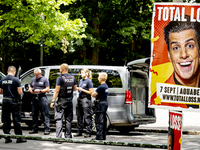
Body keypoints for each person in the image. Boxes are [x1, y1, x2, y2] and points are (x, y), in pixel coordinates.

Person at [164, 15, 200, 87]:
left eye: (190, 46)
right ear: (169, 56)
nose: (184, 55)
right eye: (176, 48)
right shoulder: (158, 97)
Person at [50, 63, 77, 143]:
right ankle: (68, 137)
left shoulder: (60, 78)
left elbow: (57, 90)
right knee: (68, 119)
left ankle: (58, 139)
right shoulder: (73, 77)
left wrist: (53, 101)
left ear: (61, 69)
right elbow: (75, 89)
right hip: (69, 101)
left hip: (61, 101)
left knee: (59, 119)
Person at [0, 66, 27, 143]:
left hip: (5, 101)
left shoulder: (2, 80)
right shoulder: (16, 80)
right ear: (14, 72)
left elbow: (0, 91)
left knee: (6, 120)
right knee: (16, 119)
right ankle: (19, 137)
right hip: (14, 102)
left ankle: (7, 137)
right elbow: (20, 92)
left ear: (7, 71)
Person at [28, 68, 51, 135]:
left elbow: (47, 89)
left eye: (37, 75)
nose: (36, 76)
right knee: (34, 114)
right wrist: (30, 91)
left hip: (42, 97)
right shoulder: (33, 79)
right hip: (34, 98)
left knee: (45, 114)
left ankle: (47, 129)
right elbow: (30, 87)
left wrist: (40, 91)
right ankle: (34, 129)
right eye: (35, 75)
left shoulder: (44, 79)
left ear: (41, 74)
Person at [74, 68, 94, 138]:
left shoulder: (89, 81)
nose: (81, 74)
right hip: (80, 98)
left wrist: (82, 89)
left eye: (82, 72)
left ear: (86, 73)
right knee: (79, 115)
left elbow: (91, 92)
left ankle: (88, 132)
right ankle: (79, 131)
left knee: (87, 116)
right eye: (81, 72)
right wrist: (78, 89)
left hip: (86, 99)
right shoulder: (81, 80)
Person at [91, 72, 108, 140]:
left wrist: (95, 95)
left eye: (98, 77)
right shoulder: (106, 86)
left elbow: (93, 94)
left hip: (100, 104)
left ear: (101, 79)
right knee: (103, 120)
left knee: (99, 120)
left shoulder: (101, 87)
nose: (98, 78)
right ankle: (103, 136)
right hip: (105, 103)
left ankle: (99, 136)